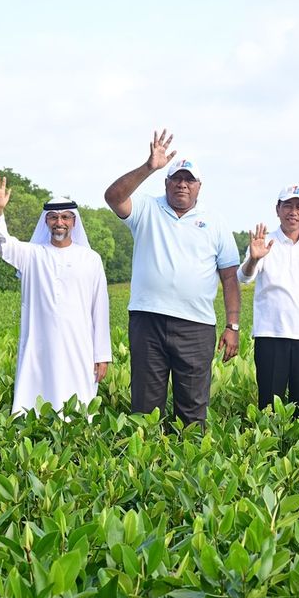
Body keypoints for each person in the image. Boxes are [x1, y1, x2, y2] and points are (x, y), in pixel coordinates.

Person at [103, 129, 240, 427]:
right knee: (145, 408)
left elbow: (229, 278)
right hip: (148, 320)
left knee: (192, 411)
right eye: (176, 178)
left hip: (196, 326)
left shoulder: (215, 222)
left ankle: (186, 468)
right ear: (166, 182)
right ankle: (147, 468)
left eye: (189, 180)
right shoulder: (146, 208)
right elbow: (113, 197)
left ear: (199, 187)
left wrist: (233, 325)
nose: (182, 184)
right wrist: (148, 167)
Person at [0, 176, 112, 415]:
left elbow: (100, 309)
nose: (59, 222)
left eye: (65, 217)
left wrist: (102, 355)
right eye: (53, 217)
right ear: (46, 221)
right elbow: (2, 244)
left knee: (78, 409)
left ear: (74, 221)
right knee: (34, 403)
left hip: (79, 348)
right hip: (39, 347)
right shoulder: (31, 255)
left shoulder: (90, 258)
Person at [238, 184, 299, 412]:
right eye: (288, 205)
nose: (293, 211)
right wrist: (253, 258)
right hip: (270, 336)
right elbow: (244, 277)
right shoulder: (264, 243)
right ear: (277, 209)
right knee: (269, 408)